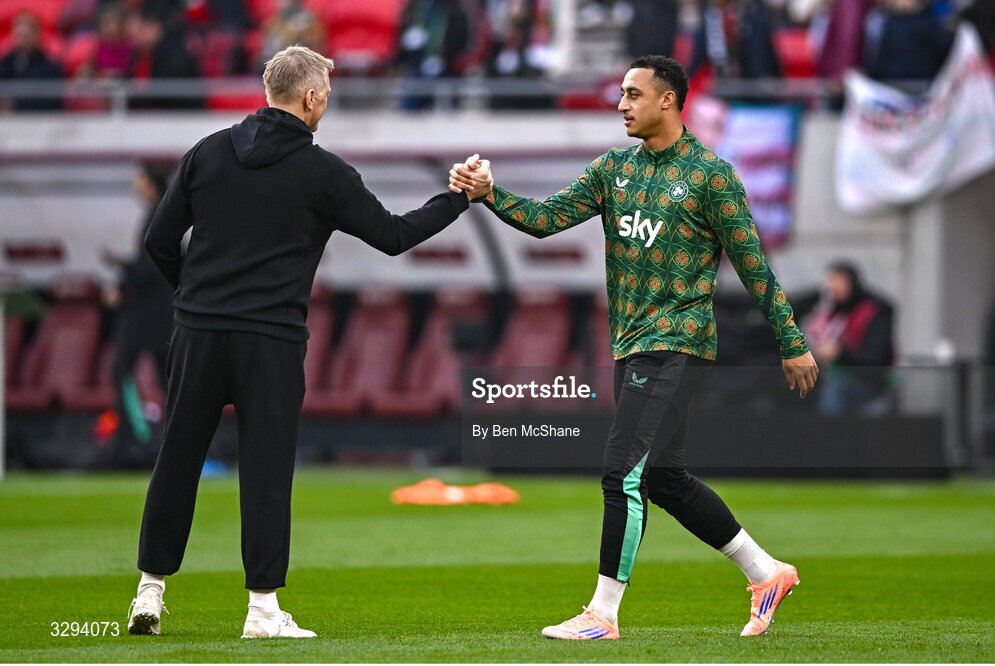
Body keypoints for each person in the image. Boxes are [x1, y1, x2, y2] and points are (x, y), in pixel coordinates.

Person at [449, 55, 818, 639]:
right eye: (621, 93)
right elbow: (546, 220)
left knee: (621, 471)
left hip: (679, 342)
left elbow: (754, 268)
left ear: (668, 100)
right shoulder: (612, 169)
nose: (621, 103)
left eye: (632, 93)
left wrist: (792, 342)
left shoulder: (709, 175)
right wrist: (491, 194)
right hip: (631, 345)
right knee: (665, 477)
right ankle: (766, 572)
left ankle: (602, 614)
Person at [127, 46, 475, 639]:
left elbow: (159, 240)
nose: (327, 105)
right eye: (327, 96)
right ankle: (262, 611)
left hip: (200, 330)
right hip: (271, 339)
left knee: (177, 458)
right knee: (265, 470)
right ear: (311, 97)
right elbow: (393, 236)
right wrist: (459, 197)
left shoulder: (206, 152)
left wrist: (194, 296)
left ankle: (149, 594)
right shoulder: (325, 173)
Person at [100, 162, 176, 467]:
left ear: (151, 183)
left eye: (139, 178)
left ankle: (136, 437)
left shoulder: (158, 215)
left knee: (122, 370)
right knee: (168, 379)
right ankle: (173, 442)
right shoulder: (161, 213)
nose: (135, 184)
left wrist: (122, 274)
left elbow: (152, 264)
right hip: (160, 311)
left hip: (151, 313)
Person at [807, 262, 894, 415]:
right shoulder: (833, 313)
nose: (832, 288)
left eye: (838, 282)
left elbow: (874, 359)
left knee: (836, 388)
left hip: (868, 383)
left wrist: (840, 352)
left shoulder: (873, 313)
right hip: (831, 376)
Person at [0, 12, 63, 111]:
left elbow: (50, 102)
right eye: (19, 35)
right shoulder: (5, 63)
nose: (22, 40)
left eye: (26, 35)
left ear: (37, 34)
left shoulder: (50, 68)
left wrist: (16, 105)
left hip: (37, 122)